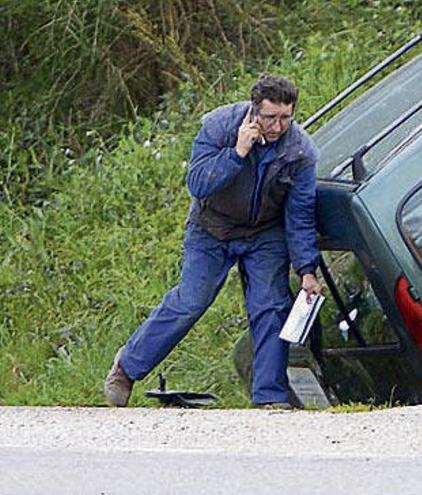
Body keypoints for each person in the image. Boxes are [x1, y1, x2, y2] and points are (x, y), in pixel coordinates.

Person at [103, 74, 322, 408]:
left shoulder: (301, 151)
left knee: (270, 306)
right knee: (190, 301)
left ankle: (269, 397)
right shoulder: (218, 126)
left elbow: (301, 215)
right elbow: (198, 184)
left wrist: (307, 268)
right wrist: (237, 153)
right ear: (253, 111)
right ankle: (127, 368)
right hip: (211, 229)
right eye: (270, 118)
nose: (277, 127)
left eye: (285, 118)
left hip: (264, 234)